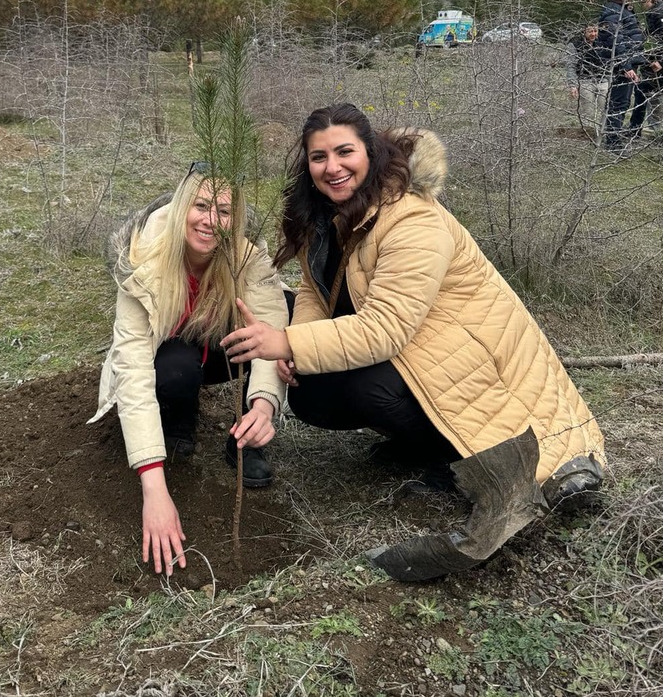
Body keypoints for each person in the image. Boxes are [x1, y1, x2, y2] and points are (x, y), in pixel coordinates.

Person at [222, 104, 605, 510]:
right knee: (310, 391)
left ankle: (451, 458)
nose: (332, 167)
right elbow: (316, 291)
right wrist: (297, 347)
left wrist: (285, 342)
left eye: (344, 152)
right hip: (413, 349)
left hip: (462, 353)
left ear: (370, 152)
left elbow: (384, 329)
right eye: (319, 157)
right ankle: (418, 441)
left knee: (367, 388)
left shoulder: (412, 218)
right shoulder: (326, 217)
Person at [89, 164, 288, 576]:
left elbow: (270, 331)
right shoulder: (142, 258)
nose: (210, 221)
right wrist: (153, 486)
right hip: (172, 354)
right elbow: (133, 366)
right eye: (200, 205)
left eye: (225, 211)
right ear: (182, 207)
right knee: (173, 370)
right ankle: (175, 419)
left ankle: (245, 439)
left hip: (222, 347)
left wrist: (264, 406)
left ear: (237, 220)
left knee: (272, 333)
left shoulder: (246, 258)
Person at [598, 0, 654, 151]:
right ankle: (613, 144)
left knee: (622, 103)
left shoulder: (624, 9)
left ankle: (614, 139)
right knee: (618, 103)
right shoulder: (612, 10)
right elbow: (615, 40)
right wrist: (626, 66)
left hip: (629, 63)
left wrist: (644, 60)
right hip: (621, 66)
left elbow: (632, 38)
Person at [628, 0, 663, 136]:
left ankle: (641, 130)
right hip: (653, 61)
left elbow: (658, 39)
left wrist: (660, 61)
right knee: (644, 93)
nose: (642, 4)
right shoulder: (655, 12)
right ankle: (639, 129)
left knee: (646, 95)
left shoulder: (656, 13)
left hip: (656, 64)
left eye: (643, 0)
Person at [563, 23, 610, 136]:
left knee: (605, 109)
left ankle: (603, 134)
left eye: (595, 31)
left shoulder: (603, 43)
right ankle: (588, 135)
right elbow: (571, 65)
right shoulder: (575, 44)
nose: (593, 34)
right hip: (585, 81)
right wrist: (573, 85)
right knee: (588, 111)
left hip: (602, 81)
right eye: (590, 31)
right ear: (584, 31)